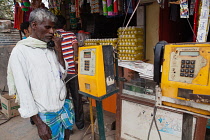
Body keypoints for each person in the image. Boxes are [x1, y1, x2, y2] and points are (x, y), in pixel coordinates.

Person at [7, 8, 74, 140]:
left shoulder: (49, 47)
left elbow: (63, 75)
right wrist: (39, 123)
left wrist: (59, 50)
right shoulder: (21, 51)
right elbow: (23, 91)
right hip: (45, 114)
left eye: (53, 28)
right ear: (34, 25)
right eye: (48, 27)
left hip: (63, 106)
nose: (51, 32)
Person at [55, 15, 85, 131]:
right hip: (72, 72)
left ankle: (68, 126)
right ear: (64, 25)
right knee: (77, 98)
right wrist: (76, 64)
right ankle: (80, 124)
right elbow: (76, 51)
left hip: (60, 75)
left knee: (64, 100)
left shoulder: (52, 37)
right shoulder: (71, 35)